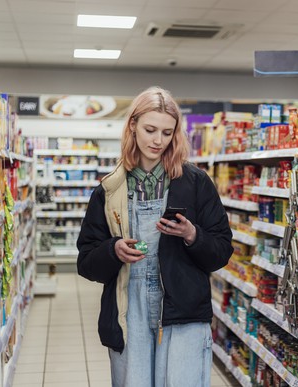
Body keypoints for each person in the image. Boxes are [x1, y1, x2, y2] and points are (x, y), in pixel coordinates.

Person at [76, 86, 233, 387]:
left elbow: (221, 250)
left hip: (183, 310)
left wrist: (192, 235)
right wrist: (113, 251)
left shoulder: (196, 184)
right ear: (132, 125)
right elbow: (86, 262)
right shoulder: (110, 190)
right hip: (128, 308)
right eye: (150, 130)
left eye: (167, 132)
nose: (158, 141)